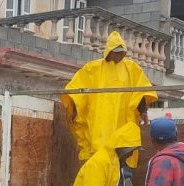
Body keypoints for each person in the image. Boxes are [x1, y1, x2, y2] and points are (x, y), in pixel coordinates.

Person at [61, 31, 157, 171]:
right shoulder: (92, 68)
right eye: (115, 52)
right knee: (98, 155)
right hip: (98, 122)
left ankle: (122, 183)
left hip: (122, 121)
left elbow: (140, 91)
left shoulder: (132, 69)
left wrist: (143, 111)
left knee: (122, 154)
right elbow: (76, 91)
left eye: (120, 52)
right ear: (108, 52)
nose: (118, 55)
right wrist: (74, 108)